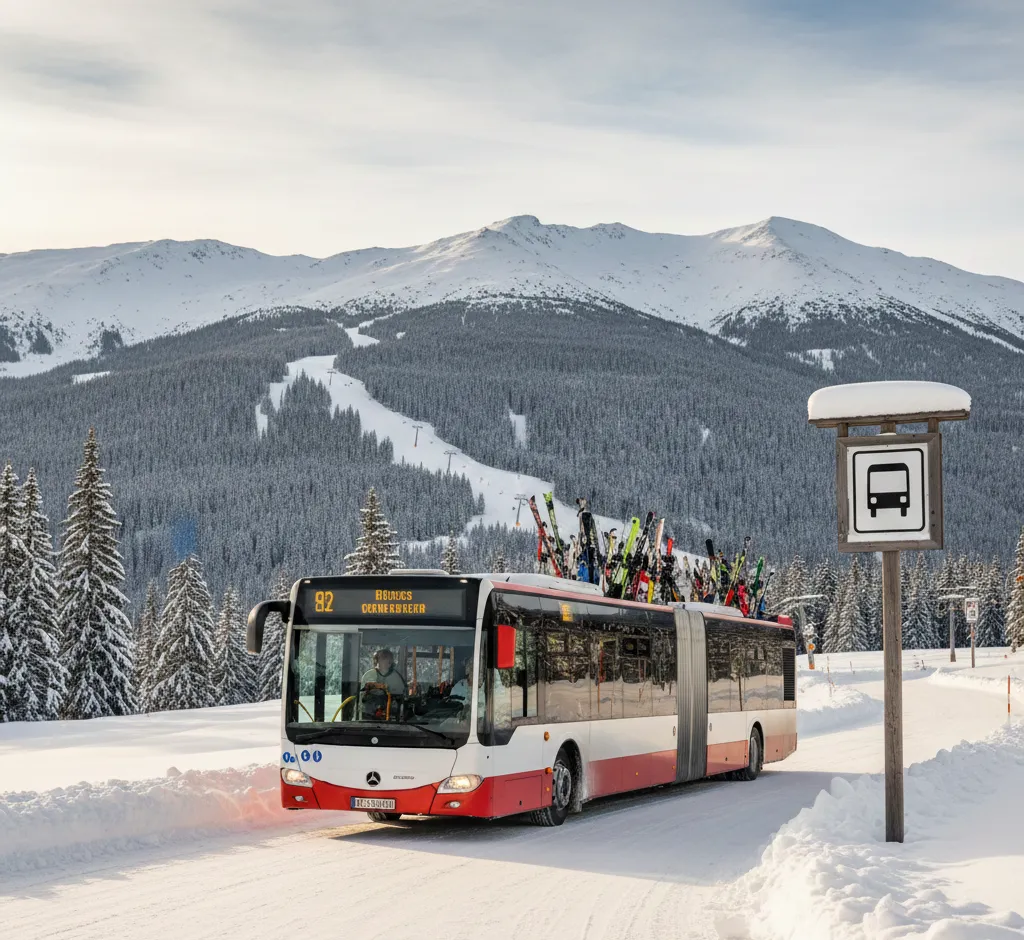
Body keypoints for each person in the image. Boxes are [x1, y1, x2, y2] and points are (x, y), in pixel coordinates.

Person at [360, 649, 407, 718]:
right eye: (384, 658)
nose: (387, 661)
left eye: (389, 658)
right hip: (369, 715)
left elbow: (402, 696)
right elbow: (362, 698)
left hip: (391, 715)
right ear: (376, 661)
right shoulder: (368, 675)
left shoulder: (397, 677)